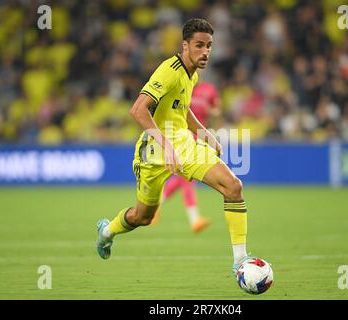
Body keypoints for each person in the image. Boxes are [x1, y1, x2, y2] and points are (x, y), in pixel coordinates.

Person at [96, 18, 250, 275]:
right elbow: (137, 110)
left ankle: (240, 262)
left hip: (182, 143)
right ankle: (106, 231)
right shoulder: (170, 69)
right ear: (185, 45)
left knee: (233, 186)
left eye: (209, 46)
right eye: (199, 45)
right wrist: (166, 146)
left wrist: (203, 133)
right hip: (153, 150)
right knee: (141, 217)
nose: (205, 51)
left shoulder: (193, 74)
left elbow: (182, 106)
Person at [150, 78, 221, 233]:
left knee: (182, 178)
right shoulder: (183, 86)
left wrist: (210, 111)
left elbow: (216, 110)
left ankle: (154, 207)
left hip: (199, 135)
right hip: (181, 136)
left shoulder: (209, 89)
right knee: (187, 178)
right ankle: (195, 219)